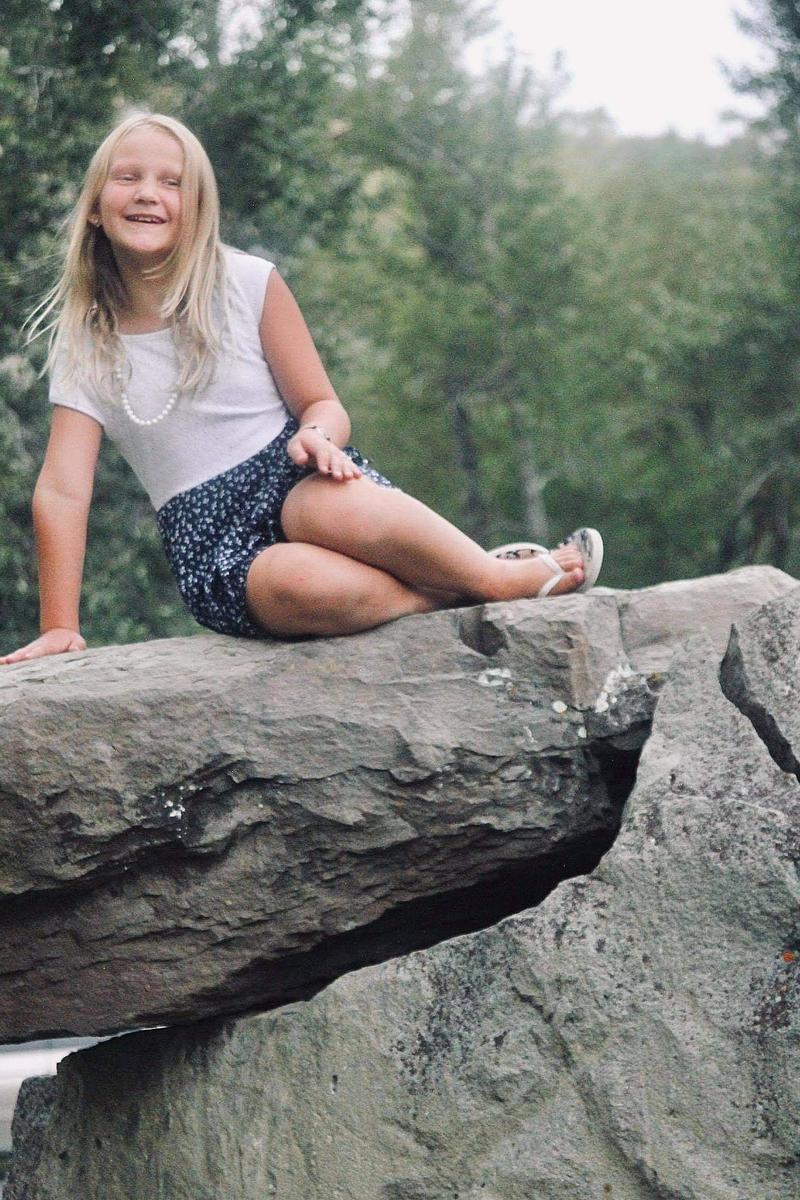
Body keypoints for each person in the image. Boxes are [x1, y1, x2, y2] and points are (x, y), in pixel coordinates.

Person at [0, 112, 603, 666]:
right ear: (95, 209)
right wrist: (59, 624)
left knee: (334, 501)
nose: (148, 193)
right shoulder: (84, 341)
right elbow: (63, 490)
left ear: (199, 210)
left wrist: (317, 436)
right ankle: (446, 593)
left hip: (291, 475)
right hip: (210, 541)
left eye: (172, 182)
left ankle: (491, 577)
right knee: (300, 584)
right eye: (127, 178)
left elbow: (322, 403)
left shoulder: (246, 282)